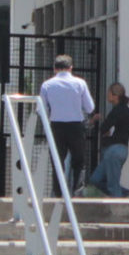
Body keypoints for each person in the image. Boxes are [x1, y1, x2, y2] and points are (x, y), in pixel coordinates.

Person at [37, 54, 96, 195]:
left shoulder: (47, 85)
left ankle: (58, 193)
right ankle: (77, 191)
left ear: (54, 69)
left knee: (57, 161)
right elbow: (90, 107)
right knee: (79, 161)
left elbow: (41, 110)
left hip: (56, 126)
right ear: (71, 68)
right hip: (76, 126)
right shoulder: (80, 83)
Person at [91, 81, 129, 199]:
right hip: (121, 149)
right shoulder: (125, 110)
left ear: (115, 95)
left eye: (109, 93)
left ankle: (118, 208)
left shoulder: (117, 110)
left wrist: (103, 130)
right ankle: (123, 193)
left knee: (112, 185)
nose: (107, 95)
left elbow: (104, 127)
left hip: (114, 150)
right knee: (96, 179)